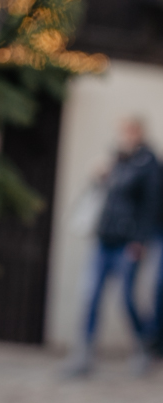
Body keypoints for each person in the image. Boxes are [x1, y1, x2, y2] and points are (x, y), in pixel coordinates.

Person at [65, 116, 158, 376]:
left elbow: (151, 207)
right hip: (104, 238)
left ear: (139, 133)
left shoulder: (148, 164)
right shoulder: (115, 160)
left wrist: (140, 241)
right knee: (91, 296)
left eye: (129, 132)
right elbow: (101, 197)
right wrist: (99, 176)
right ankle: (84, 354)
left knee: (126, 298)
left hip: (128, 242)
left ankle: (143, 347)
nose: (125, 137)